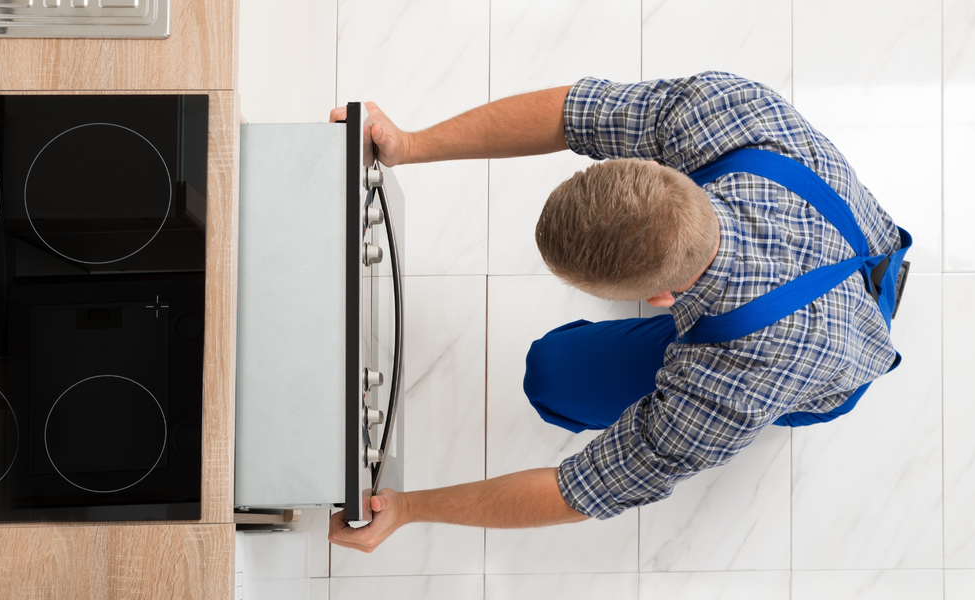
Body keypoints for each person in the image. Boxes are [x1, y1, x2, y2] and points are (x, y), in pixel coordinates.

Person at [327, 71, 911, 553]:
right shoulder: (727, 111)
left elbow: (579, 489)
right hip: (840, 238)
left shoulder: (732, 384)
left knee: (553, 375)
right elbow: (569, 113)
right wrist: (410, 143)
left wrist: (407, 509)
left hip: (832, 351)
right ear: (655, 167)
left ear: (663, 298)